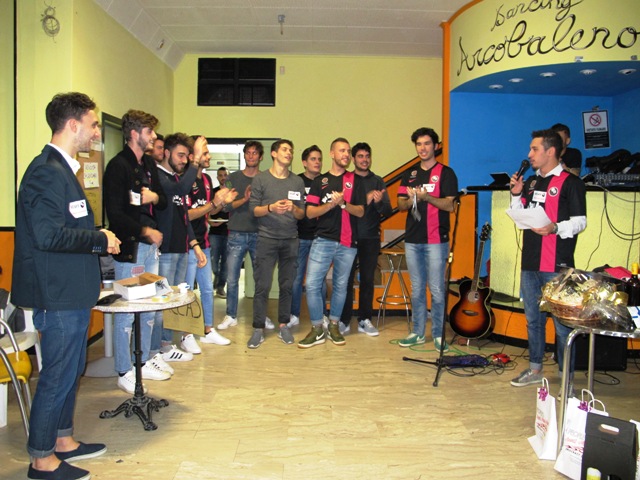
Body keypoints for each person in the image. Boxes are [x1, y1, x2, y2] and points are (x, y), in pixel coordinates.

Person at [12, 92, 120, 480]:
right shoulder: (46, 171)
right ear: (73, 125)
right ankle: (41, 460)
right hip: (57, 294)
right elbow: (47, 235)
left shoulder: (62, 170)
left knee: (72, 369)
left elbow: (63, 228)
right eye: (93, 125)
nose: (97, 133)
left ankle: (63, 440)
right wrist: (98, 238)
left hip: (71, 292)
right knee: (57, 374)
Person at [509, 129, 587, 389]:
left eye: (534, 149)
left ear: (550, 151)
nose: (529, 154)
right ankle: (534, 369)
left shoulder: (571, 183)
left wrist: (555, 227)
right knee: (534, 320)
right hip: (530, 263)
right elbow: (521, 218)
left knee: (562, 324)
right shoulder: (531, 182)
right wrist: (516, 194)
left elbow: (580, 222)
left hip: (557, 265)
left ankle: (567, 376)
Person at [104, 109, 172, 394]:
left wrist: (154, 196)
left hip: (149, 247)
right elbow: (115, 215)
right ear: (134, 134)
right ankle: (124, 370)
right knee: (126, 312)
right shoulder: (117, 166)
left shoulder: (148, 165)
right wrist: (145, 231)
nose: (153, 136)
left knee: (148, 307)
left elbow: (164, 200)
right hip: (130, 248)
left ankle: (142, 362)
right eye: (149, 131)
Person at [297, 138, 365, 349]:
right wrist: (330, 205)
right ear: (332, 154)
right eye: (342, 150)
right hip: (323, 240)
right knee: (312, 284)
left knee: (341, 286)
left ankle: (334, 325)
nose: (346, 154)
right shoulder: (320, 181)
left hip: (347, 242)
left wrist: (343, 204)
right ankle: (318, 327)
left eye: (348, 151)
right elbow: (310, 212)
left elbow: (360, 211)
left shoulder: (355, 180)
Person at [397, 127, 458, 352]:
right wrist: (411, 198)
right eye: (419, 144)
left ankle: (439, 335)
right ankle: (417, 332)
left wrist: (427, 197)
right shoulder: (410, 174)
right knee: (416, 289)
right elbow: (400, 204)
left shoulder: (446, 173)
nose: (423, 148)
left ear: (436, 146)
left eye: (427, 144)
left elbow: (450, 205)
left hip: (436, 240)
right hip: (413, 240)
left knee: (437, 289)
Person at [247, 139, 306, 348]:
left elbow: (301, 214)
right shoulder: (261, 179)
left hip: (290, 239)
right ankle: (258, 328)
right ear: (273, 153)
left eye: (291, 150)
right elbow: (254, 210)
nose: (289, 153)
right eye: (284, 149)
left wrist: (293, 208)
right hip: (266, 239)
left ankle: (283, 325)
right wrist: (271, 208)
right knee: (262, 286)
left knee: (287, 285)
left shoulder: (297, 182)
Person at [152, 133, 207, 358]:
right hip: (164, 251)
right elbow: (182, 190)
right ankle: (159, 349)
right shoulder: (159, 176)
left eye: (187, 156)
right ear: (167, 153)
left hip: (181, 249)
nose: (184, 160)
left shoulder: (176, 179)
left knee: (174, 301)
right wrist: (197, 159)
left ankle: (167, 344)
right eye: (180, 155)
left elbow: (184, 217)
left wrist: (194, 244)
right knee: (161, 303)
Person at [217, 141, 274, 331]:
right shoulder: (232, 178)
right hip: (236, 234)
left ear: (261, 156)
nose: (251, 156)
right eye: (248, 153)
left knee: (261, 279)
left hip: (260, 234)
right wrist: (245, 199)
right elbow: (225, 207)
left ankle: (261, 316)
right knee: (232, 279)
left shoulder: (266, 179)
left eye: (254, 153)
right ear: (244, 155)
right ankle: (231, 315)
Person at [185, 143, 237, 346]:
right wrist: (214, 204)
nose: (209, 156)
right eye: (205, 153)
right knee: (187, 292)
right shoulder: (185, 180)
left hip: (203, 242)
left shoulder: (206, 180)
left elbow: (209, 211)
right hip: (187, 245)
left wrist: (222, 202)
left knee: (207, 290)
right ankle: (187, 335)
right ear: (193, 155)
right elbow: (186, 215)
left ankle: (207, 330)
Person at [339, 142, 392, 336]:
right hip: (348, 236)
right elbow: (341, 205)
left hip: (370, 237)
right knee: (345, 280)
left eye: (367, 156)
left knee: (368, 280)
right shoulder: (345, 179)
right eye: (360, 156)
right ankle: (344, 319)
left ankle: (364, 319)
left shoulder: (378, 181)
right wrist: (365, 199)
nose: (364, 160)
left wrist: (378, 203)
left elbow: (388, 210)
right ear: (353, 159)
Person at [290, 145, 326, 327]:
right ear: (304, 162)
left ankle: (322, 315)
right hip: (299, 237)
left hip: (321, 237)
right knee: (296, 279)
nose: (317, 162)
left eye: (319, 159)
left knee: (320, 280)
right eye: (313, 159)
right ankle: (294, 314)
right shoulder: (296, 182)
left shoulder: (326, 182)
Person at [209, 167, 230, 298]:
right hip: (215, 232)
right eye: (220, 175)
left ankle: (220, 287)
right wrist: (210, 221)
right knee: (213, 262)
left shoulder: (233, 193)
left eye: (225, 175)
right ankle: (216, 277)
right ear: (217, 177)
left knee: (226, 263)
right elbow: (208, 211)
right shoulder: (213, 193)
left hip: (229, 232)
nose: (223, 177)